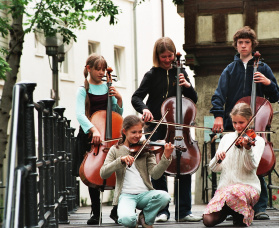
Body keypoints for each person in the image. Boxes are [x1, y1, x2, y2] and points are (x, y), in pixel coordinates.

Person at [210, 26, 279, 220]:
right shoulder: (230, 69)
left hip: (255, 124)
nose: (243, 46)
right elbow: (219, 95)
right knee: (233, 163)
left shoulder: (263, 67)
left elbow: (275, 96)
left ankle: (260, 207)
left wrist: (267, 83)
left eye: (246, 42)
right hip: (235, 123)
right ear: (236, 45)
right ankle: (234, 204)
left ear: (252, 44)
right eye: (240, 43)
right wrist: (217, 115)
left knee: (256, 164)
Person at [131, 37, 202, 222]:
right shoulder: (152, 75)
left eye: (170, 56)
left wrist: (187, 85)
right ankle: (162, 210)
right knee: (158, 169)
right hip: (156, 126)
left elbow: (193, 99)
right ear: (157, 56)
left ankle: (184, 211)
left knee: (184, 166)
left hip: (180, 128)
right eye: (163, 57)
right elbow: (136, 97)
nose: (168, 60)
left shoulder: (181, 71)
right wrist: (144, 109)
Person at [100, 115, 173, 228]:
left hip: (145, 194)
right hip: (126, 195)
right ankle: (133, 219)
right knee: (126, 220)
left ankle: (146, 218)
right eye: (134, 132)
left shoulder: (146, 149)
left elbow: (155, 174)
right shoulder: (115, 150)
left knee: (165, 197)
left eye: (140, 132)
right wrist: (120, 161)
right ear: (125, 131)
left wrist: (166, 158)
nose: (138, 136)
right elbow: (103, 173)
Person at [76, 53, 123, 225]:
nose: (102, 72)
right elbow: (80, 114)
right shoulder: (83, 90)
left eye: (104, 69)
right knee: (92, 172)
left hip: (109, 137)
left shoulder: (107, 88)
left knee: (120, 170)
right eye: (98, 69)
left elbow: (117, 114)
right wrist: (94, 129)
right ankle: (96, 213)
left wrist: (118, 99)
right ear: (89, 69)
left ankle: (116, 209)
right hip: (91, 135)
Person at [203, 102, 265, 227]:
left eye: (241, 123)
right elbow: (214, 168)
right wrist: (217, 158)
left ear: (249, 121)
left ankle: (243, 211)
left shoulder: (257, 141)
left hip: (248, 187)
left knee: (234, 192)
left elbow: (251, 166)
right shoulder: (226, 139)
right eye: (234, 122)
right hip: (226, 189)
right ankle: (232, 210)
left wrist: (247, 150)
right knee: (208, 220)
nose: (237, 126)